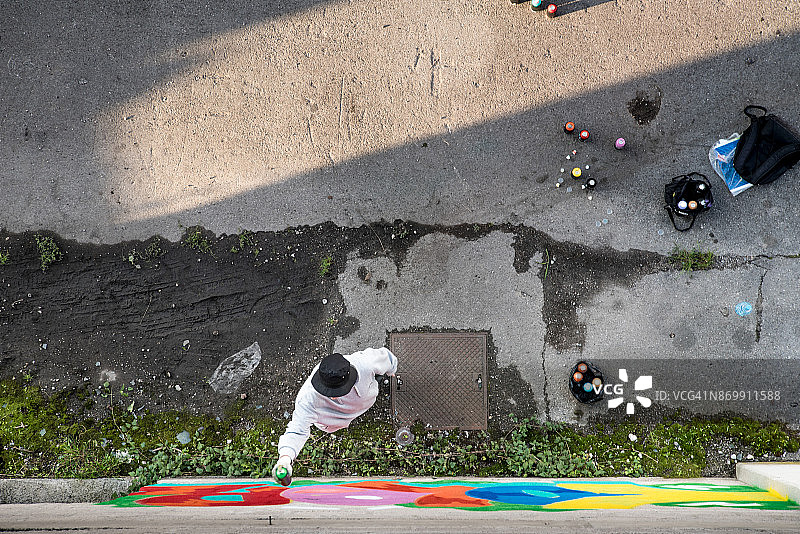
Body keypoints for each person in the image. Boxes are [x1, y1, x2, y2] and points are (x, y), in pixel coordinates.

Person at [272, 348, 398, 483]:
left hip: (367, 399)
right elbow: (297, 431)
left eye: (338, 391)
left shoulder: (365, 363)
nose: (332, 397)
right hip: (333, 423)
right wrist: (285, 458)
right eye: (328, 392)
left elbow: (387, 358)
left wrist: (391, 370)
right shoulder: (307, 399)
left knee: (378, 377)